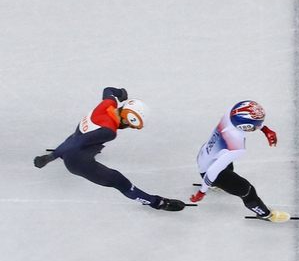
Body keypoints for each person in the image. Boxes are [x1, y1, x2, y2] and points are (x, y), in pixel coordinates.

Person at [33, 87, 185, 212]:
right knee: (119, 181)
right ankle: (156, 202)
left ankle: (66, 152)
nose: (128, 128)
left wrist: (120, 92)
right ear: (126, 119)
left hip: (75, 145)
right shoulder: (109, 131)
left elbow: (108, 90)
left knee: (86, 141)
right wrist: (50, 157)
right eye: (131, 126)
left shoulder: (109, 103)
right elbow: (77, 141)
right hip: (77, 161)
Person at [189, 101, 289, 222]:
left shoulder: (230, 113)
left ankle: (215, 185)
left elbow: (245, 122)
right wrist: (201, 192)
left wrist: (265, 130)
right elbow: (212, 171)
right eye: (258, 124)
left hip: (206, 154)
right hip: (210, 168)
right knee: (247, 191)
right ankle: (265, 214)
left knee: (227, 167)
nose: (260, 125)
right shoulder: (236, 147)